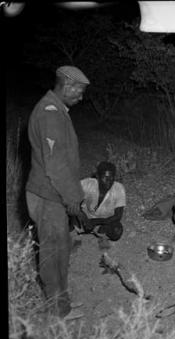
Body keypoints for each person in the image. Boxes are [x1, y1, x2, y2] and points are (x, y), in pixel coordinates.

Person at [25, 65, 90, 320]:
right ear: (67, 86)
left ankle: (63, 302)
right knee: (52, 254)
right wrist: (73, 198)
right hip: (48, 195)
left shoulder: (57, 109)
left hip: (53, 194)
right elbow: (56, 165)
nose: (81, 97)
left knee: (61, 249)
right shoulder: (50, 114)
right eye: (79, 92)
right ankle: (56, 311)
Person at [72, 161, 126, 249]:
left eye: (112, 177)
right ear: (97, 176)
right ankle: (74, 230)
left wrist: (95, 222)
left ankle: (98, 232)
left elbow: (118, 216)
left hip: (102, 222)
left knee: (116, 231)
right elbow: (70, 200)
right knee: (64, 213)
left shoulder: (118, 188)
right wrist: (83, 218)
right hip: (82, 218)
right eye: (106, 178)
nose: (110, 181)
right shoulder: (87, 184)